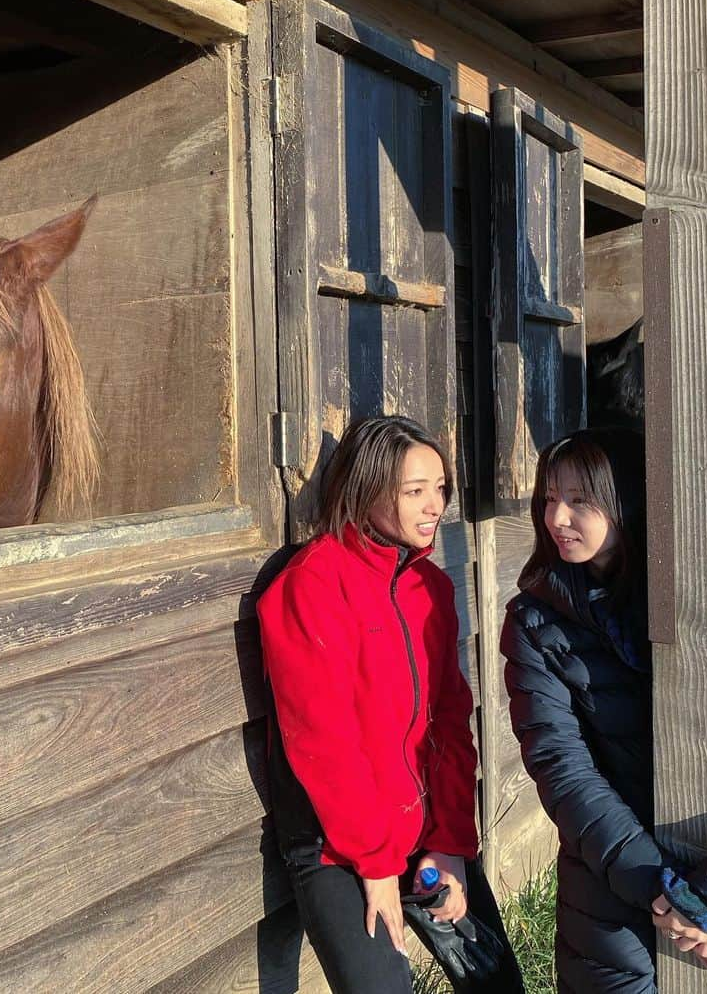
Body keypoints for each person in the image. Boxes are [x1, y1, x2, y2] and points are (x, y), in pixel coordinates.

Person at [258, 415, 522, 993]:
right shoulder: (312, 583)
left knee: (496, 983)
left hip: (422, 840)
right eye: (414, 491)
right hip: (340, 850)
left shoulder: (432, 587)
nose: (436, 506)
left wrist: (450, 845)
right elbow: (323, 739)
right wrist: (377, 866)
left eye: (441, 488)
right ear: (367, 488)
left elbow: (450, 721)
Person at [501, 428, 707, 992]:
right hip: (609, 881)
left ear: (626, 499)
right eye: (550, 496)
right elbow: (561, 766)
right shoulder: (534, 621)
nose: (557, 515)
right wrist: (662, 891)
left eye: (580, 499)